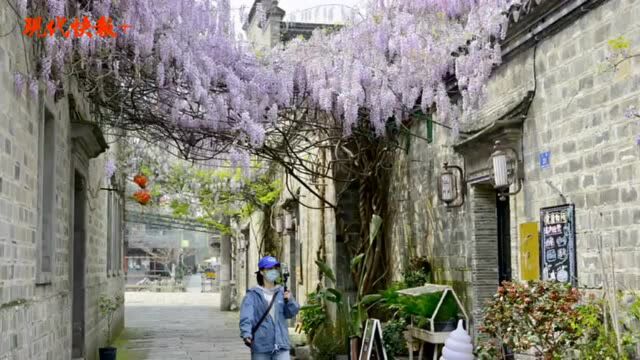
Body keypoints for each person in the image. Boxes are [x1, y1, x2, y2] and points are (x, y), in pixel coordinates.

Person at [240, 256, 299, 360]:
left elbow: (290, 313)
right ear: (262, 272)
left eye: (275, 268)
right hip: (261, 346)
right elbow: (246, 316)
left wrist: (289, 301)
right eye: (269, 269)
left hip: (281, 345)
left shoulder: (282, 292)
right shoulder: (253, 295)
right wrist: (246, 333)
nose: (273, 271)